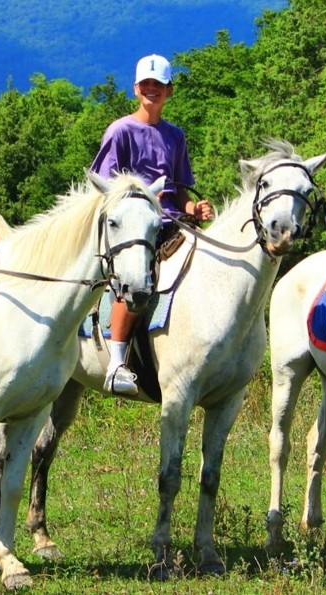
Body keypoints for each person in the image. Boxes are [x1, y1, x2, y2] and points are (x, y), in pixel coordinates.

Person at [90, 54, 213, 396]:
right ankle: (116, 362)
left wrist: (195, 207)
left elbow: (180, 191)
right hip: (134, 227)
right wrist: (140, 208)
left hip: (174, 223)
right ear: (135, 89)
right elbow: (104, 186)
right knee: (139, 276)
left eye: (158, 85)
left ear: (169, 91)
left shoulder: (175, 136)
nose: (151, 90)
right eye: (146, 85)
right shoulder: (120, 131)